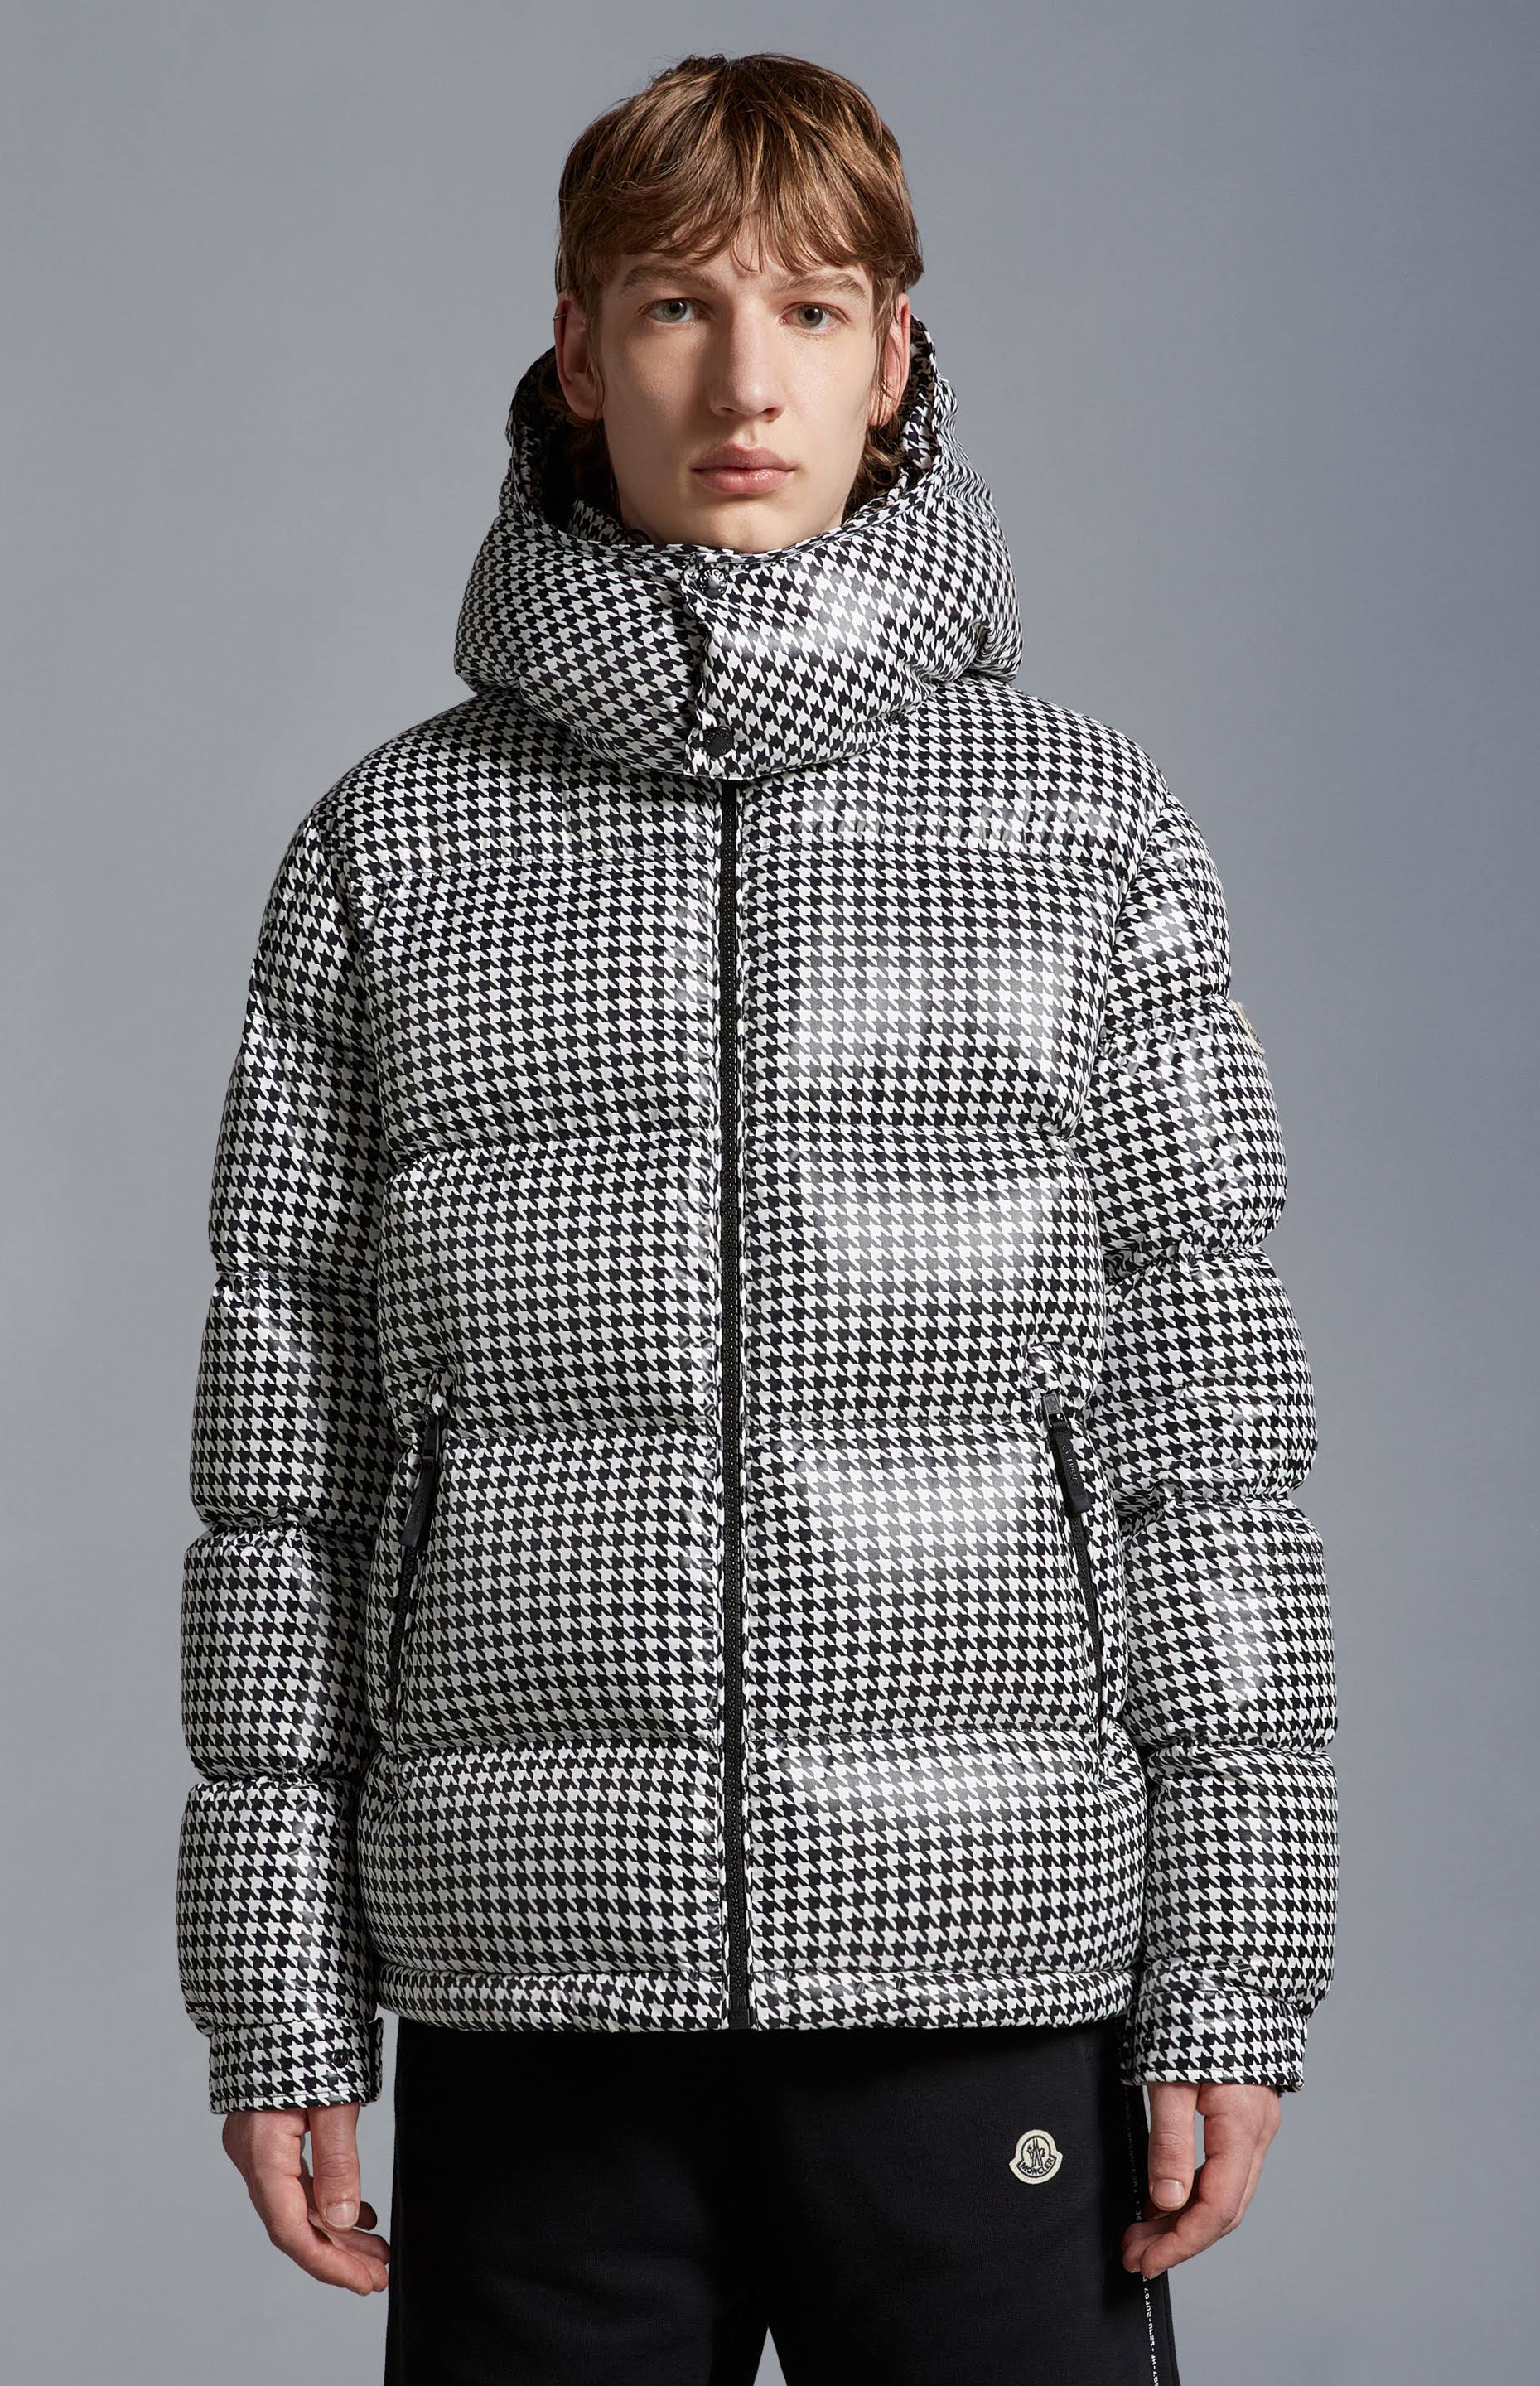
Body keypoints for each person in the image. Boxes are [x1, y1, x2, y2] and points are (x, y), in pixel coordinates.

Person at [174, 50, 1339, 2386]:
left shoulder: (1090, 836)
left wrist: (1234, 1965)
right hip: (534, 1981)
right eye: (677, 306)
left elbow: (1207, 1453)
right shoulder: (387, 857)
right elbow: (289, 1483)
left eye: (808, 310)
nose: (743, 380)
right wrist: (275, 1990)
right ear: (577, 349)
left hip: (981, 1969)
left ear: (893, 356)